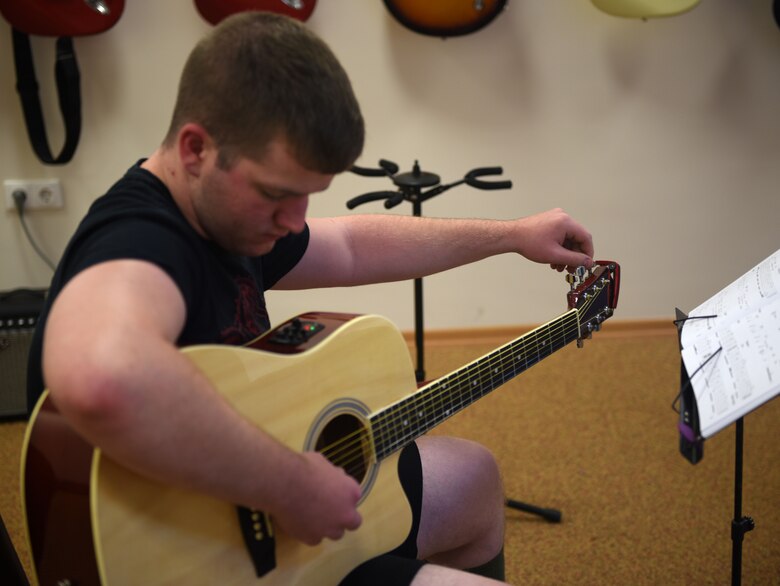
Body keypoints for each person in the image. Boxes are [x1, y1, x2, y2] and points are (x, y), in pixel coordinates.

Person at [26, 12, 594, 586]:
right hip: (208, 560)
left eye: (308, 197)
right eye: (277, 194)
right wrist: (290, 484)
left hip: (269, 526)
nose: (292, 221)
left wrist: (511, 236)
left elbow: (348, 245)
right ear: (196, 149)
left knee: (474, 478)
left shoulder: (228, 216)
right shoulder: (142, 238)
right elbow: (101, 378)